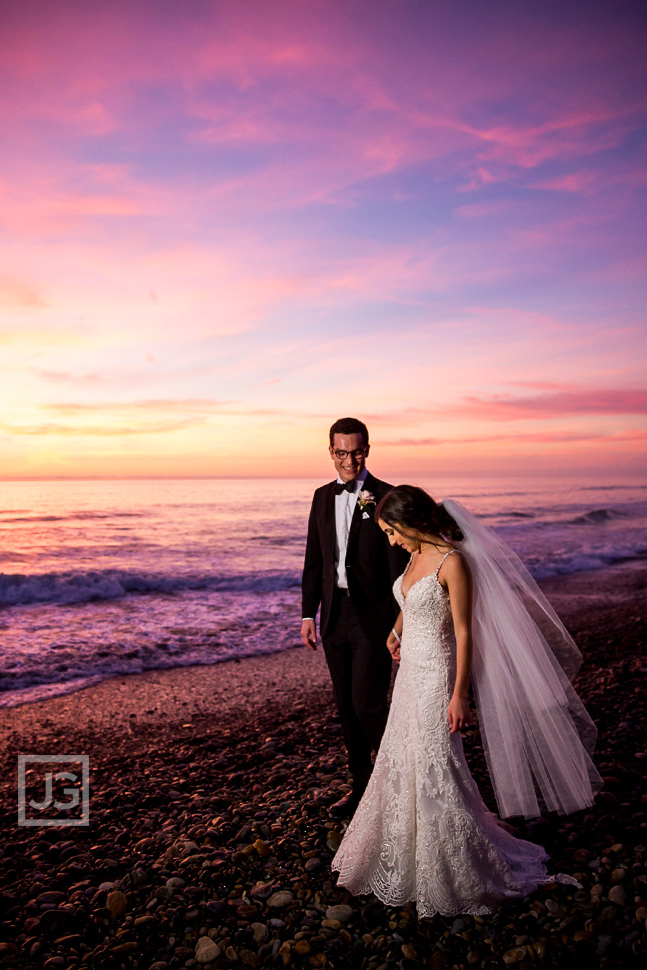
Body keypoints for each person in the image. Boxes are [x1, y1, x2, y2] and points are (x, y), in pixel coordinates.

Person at [332, 485, 602, 916]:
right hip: (408, 676)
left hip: (437, 676)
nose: (391, 541)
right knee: (404, 756)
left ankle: (450, 859)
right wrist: (397, 628)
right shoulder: (416, 554)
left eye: (391, 532)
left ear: (409, 522)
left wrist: (459, 695)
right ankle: (407, 846)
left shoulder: (454, 563)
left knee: (437, 761)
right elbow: (411, 592)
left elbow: (463, 633)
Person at [301, 418, 409, 817]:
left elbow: (400, 566)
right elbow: (315, 559)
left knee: (369, 706)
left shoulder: (387, 496)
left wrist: (401, 625)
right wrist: (307, 614)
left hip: (374, 617)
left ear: (368, 449)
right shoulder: (319, 496)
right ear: (330, 451)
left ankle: (400, 778)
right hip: (332, 617)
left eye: (357, 451)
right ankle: (363, 787)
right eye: (341, 452)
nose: (349, 460)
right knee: (347, 708)